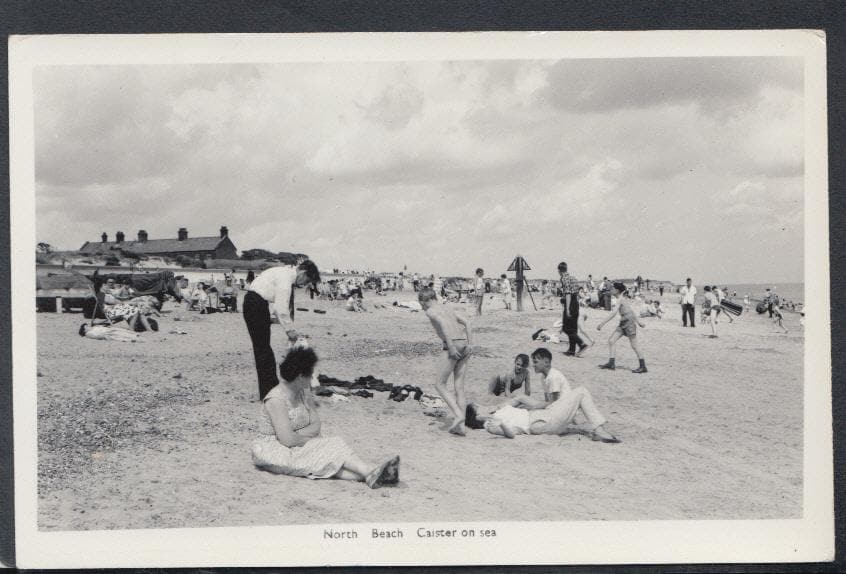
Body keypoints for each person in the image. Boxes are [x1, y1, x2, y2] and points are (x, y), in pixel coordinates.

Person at [251, 348, 400, 488]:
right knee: (331, 446)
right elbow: (286, 440)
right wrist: (309, 439)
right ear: (300, 376)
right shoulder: (276, 399)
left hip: (296, 444)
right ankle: (370, 471)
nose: (313, 379)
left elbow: (316, 425)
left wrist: (298, 436)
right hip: (274, 451)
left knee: (328, 454)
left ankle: (369, 475)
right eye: (310, 375)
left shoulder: (304, 392)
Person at [243, 260, 321, 400]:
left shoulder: (282, 272)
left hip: (256, 303)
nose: (303, 284)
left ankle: (270, 388)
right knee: (263, 350)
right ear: (302, 272)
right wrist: (289, 330)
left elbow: (275, 303)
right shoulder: (286, 278)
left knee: (263, 349)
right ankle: (269, 392)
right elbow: (281, 307)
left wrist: (272, 319)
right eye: (306, 280)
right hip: (255, 304)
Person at [470, 388, 619, 442]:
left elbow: (518, 399)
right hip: (540, 422)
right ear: (476, 416)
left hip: (542, 416)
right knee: (581, 392)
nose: (480, 405)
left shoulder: (497, 410)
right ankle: (599, 429)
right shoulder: (490, 425)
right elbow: (512, 434)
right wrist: (499, 422)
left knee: (574, 394)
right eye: (477, 407)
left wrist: (494, 409)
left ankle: (595, 428)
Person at [420, 287, 473, 435]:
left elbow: (443, 325)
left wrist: (450, 346)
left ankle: (459, 415)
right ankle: (461, 428)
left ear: (427, 300)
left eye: (422, 304)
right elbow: (468, 323)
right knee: (459, 387)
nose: (422, 307)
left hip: (453, 344)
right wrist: (471, 344)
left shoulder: (430, 311)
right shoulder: (448, 308)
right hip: (464, 343)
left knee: (439, 384)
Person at [597, 282, 648, 373]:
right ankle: (611, 363)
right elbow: (631, 310)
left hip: (629, 322)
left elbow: (613, 313)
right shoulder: (621, 298)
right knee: (611, 340)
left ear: (617, 290)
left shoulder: (620, 299)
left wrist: (602, 323)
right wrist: (639, 322)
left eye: (612, 288)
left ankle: (643, 367)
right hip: (623, 322)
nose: (611, 289)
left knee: (634, 345)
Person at [557, 261, 586, 356]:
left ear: (559, 271)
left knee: (566, 327)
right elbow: (576, 293)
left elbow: (568, 294)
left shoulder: (564, 279)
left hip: (570, 304)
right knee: (573, 328)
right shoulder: (573, 278)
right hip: (576, 303)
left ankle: (581, 344)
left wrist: (568, 309)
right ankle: (571, 350)